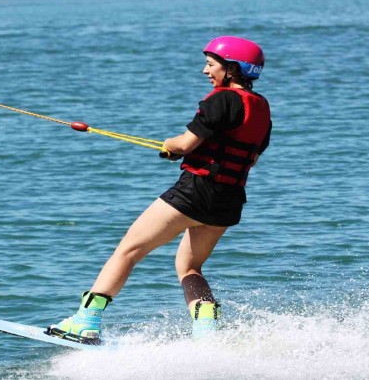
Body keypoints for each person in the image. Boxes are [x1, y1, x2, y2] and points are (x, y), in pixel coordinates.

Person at [46, 36, 272, 344]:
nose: (205, 71)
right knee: (189, 266)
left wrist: (171, 145)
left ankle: (85, 321)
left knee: (129, 250)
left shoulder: (220, 100)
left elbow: (185, 143)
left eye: (210, 64)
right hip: (228, 200)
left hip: (194, 192)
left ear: (232, 68)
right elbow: (251, 157)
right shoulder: (261, 108)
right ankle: (206, 328)